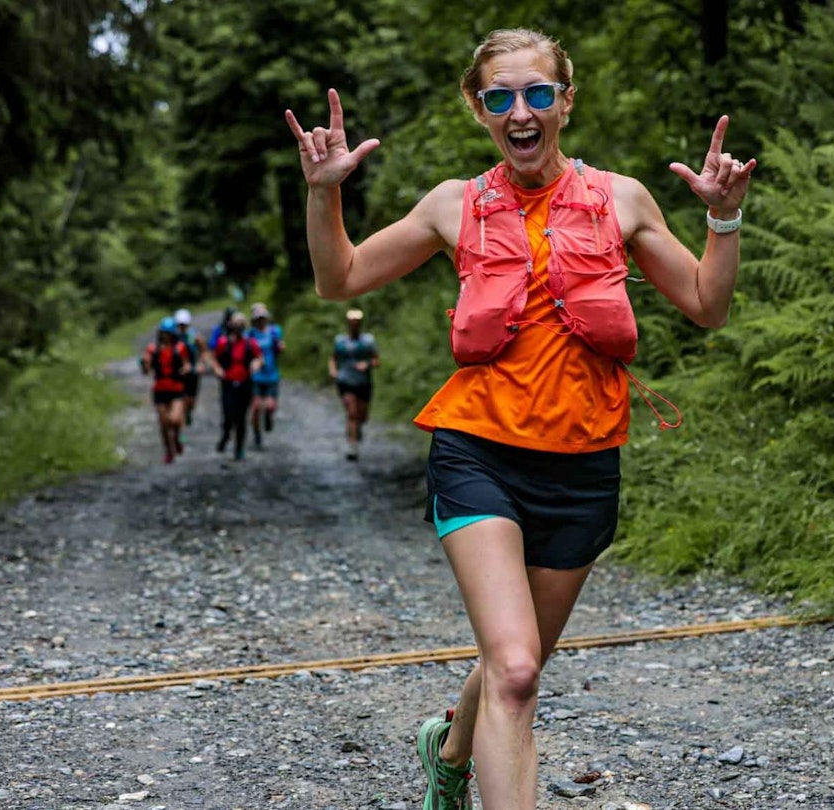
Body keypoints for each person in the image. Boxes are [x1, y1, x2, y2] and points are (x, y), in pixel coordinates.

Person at [285, 27, 754, 810]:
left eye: (538, 92)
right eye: (500, 97)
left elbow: (707, 304)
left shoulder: (622, 199)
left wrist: (725, 222)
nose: (520, 109)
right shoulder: (452, 205)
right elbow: (341, 278)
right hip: (478, 455)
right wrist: (323, 190)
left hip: (582, 464)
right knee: (516, 670)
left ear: (565, 101)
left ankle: (451, 748)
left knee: (517, 659)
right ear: (479, 109)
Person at [207, 311, 263, 461]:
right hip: (228, 383)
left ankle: (239, 448)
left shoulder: (250, 344)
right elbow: (213, 358)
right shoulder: (223, 343)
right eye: (236, 325)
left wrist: (255, 364)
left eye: (241, 325)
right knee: (228, 414)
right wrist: (217, 369)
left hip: (245, 383)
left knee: (241, 417)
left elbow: (259, 358)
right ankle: (225, 435)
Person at [328, 307, 379, 461]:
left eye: (357, 322)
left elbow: (376, 360)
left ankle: (357, 428)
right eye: (352, 322)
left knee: (362, 415)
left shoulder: (368, 341)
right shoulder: (340, 341)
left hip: (363, 382)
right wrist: (333, 371)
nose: (354, 324)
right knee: (351, 412)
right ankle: (353, 445)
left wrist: (367, 364)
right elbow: (333, 358)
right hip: (345, 381)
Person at [140, 316, 193, 464]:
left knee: (175, 419)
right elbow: (147, 366)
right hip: (160, 389)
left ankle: (177, 438)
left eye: (168, 333)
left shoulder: (180, 348)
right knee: (164, 422)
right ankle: (168, 450)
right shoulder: (153, 349)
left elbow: (186, 364)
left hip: (176, 389)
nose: (166, 336)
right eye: (163, 333)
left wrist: (186, 370)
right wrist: (145, 364)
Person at [247, 302, 286, 449]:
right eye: (258, 318)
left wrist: (280, 348)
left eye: (263, 318)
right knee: (256, 407)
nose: (261, 321)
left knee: (270, 406)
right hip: (256, 376)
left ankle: (268, 418)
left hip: (271, 374)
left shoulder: (274, 332)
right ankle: (257, 434)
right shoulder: (250, 334)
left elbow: (278, 349)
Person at [173, 308, 208, 427]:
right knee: (181, 399)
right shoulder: (174, 337)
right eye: (180, 325)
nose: (182, 327)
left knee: (191, 400)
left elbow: (203, 351)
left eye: (184, 325)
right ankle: (181, 423)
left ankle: (188, 412)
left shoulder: (194, 337)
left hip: (193, 372)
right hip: (179, 372)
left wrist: (201, 364)